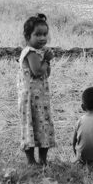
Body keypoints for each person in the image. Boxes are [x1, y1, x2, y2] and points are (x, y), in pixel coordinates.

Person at [18, 12, 55, 165]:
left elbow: (46, 74)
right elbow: (38, 71)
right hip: (31, 98)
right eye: (37, 34)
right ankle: (32, 161)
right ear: (27, 37)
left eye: (45, 34)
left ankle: (42, 159)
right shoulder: (31, 53)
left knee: (42, 127)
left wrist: (47, 63)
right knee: (33, 127)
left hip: (40, 97)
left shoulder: (38, 52)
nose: (42, 38)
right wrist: (46, 59)